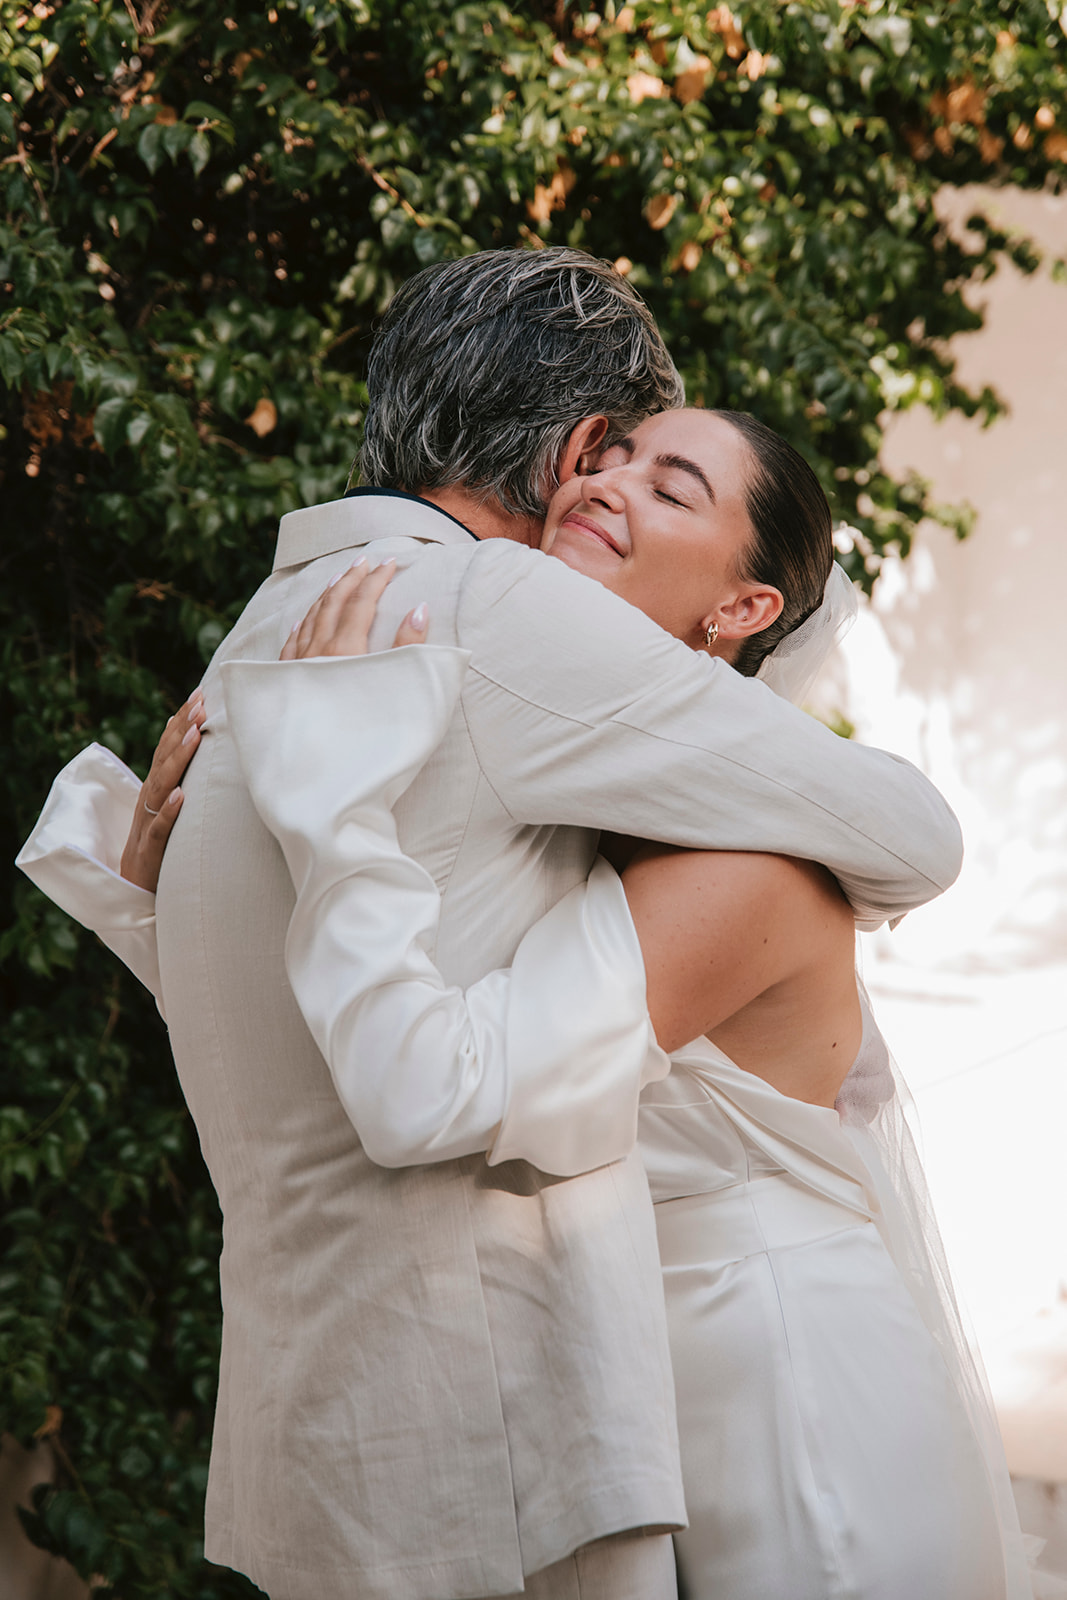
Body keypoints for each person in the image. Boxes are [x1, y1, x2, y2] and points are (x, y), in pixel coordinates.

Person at [17, 251, 965, 1600]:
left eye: (666, 483)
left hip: (419, 1427)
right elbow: (911, 837)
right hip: (504, 1431)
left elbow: (321, 1040)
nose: (611, 490)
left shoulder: (264, 634)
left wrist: (175, 895)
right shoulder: (495, 622)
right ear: (577, 447)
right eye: (618, 459)